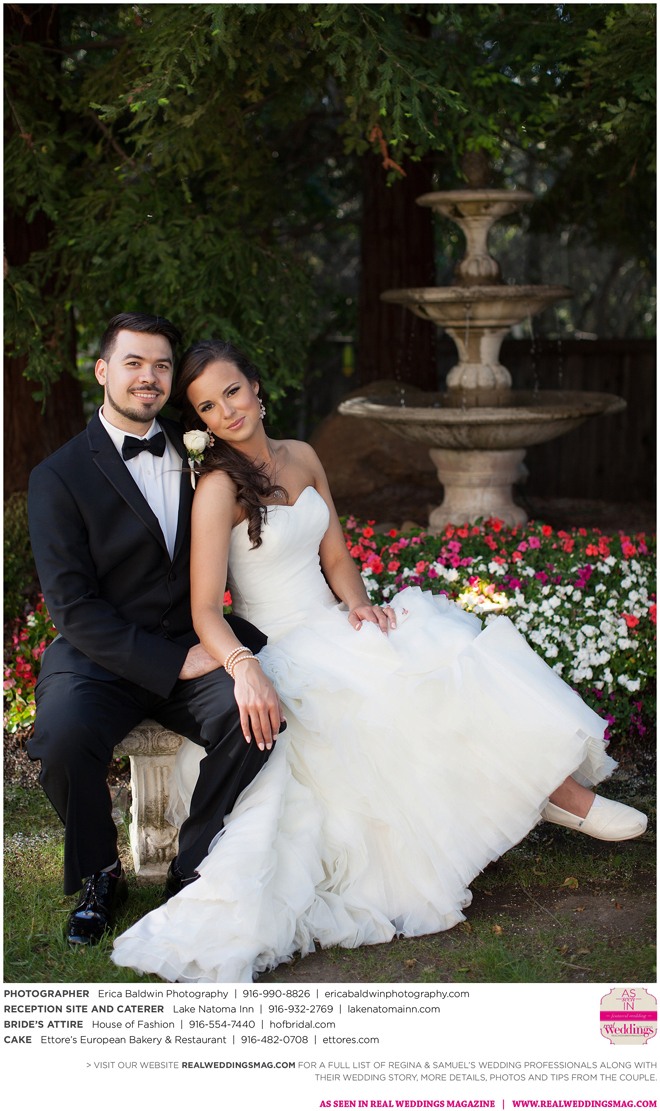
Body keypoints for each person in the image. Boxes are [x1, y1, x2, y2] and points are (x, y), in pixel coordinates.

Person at [112, 339, 646, 983]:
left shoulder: (304, 456)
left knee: (445, 648)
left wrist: (361, 607)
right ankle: (559, 796)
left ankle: (547, 788)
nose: (226, 411)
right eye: (207, 407)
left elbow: (336, 555)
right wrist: (242, 665)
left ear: (255, 387)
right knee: (397, 693)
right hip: (283, 645)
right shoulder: (218, 489)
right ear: (199, 421)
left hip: (334, 622)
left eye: (232, 391)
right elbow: (205, 611)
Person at [27, 315, 281, 947]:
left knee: (253, 718)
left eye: (161, 366)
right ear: (103, 371)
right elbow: (72, 607)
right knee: (61, 740)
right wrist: (170, 664)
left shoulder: (201, 447)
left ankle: (190, 867)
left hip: (193, 641)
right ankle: (101, 874)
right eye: (134, 363)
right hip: (99, 657)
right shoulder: (57, 475)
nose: (149, 377)